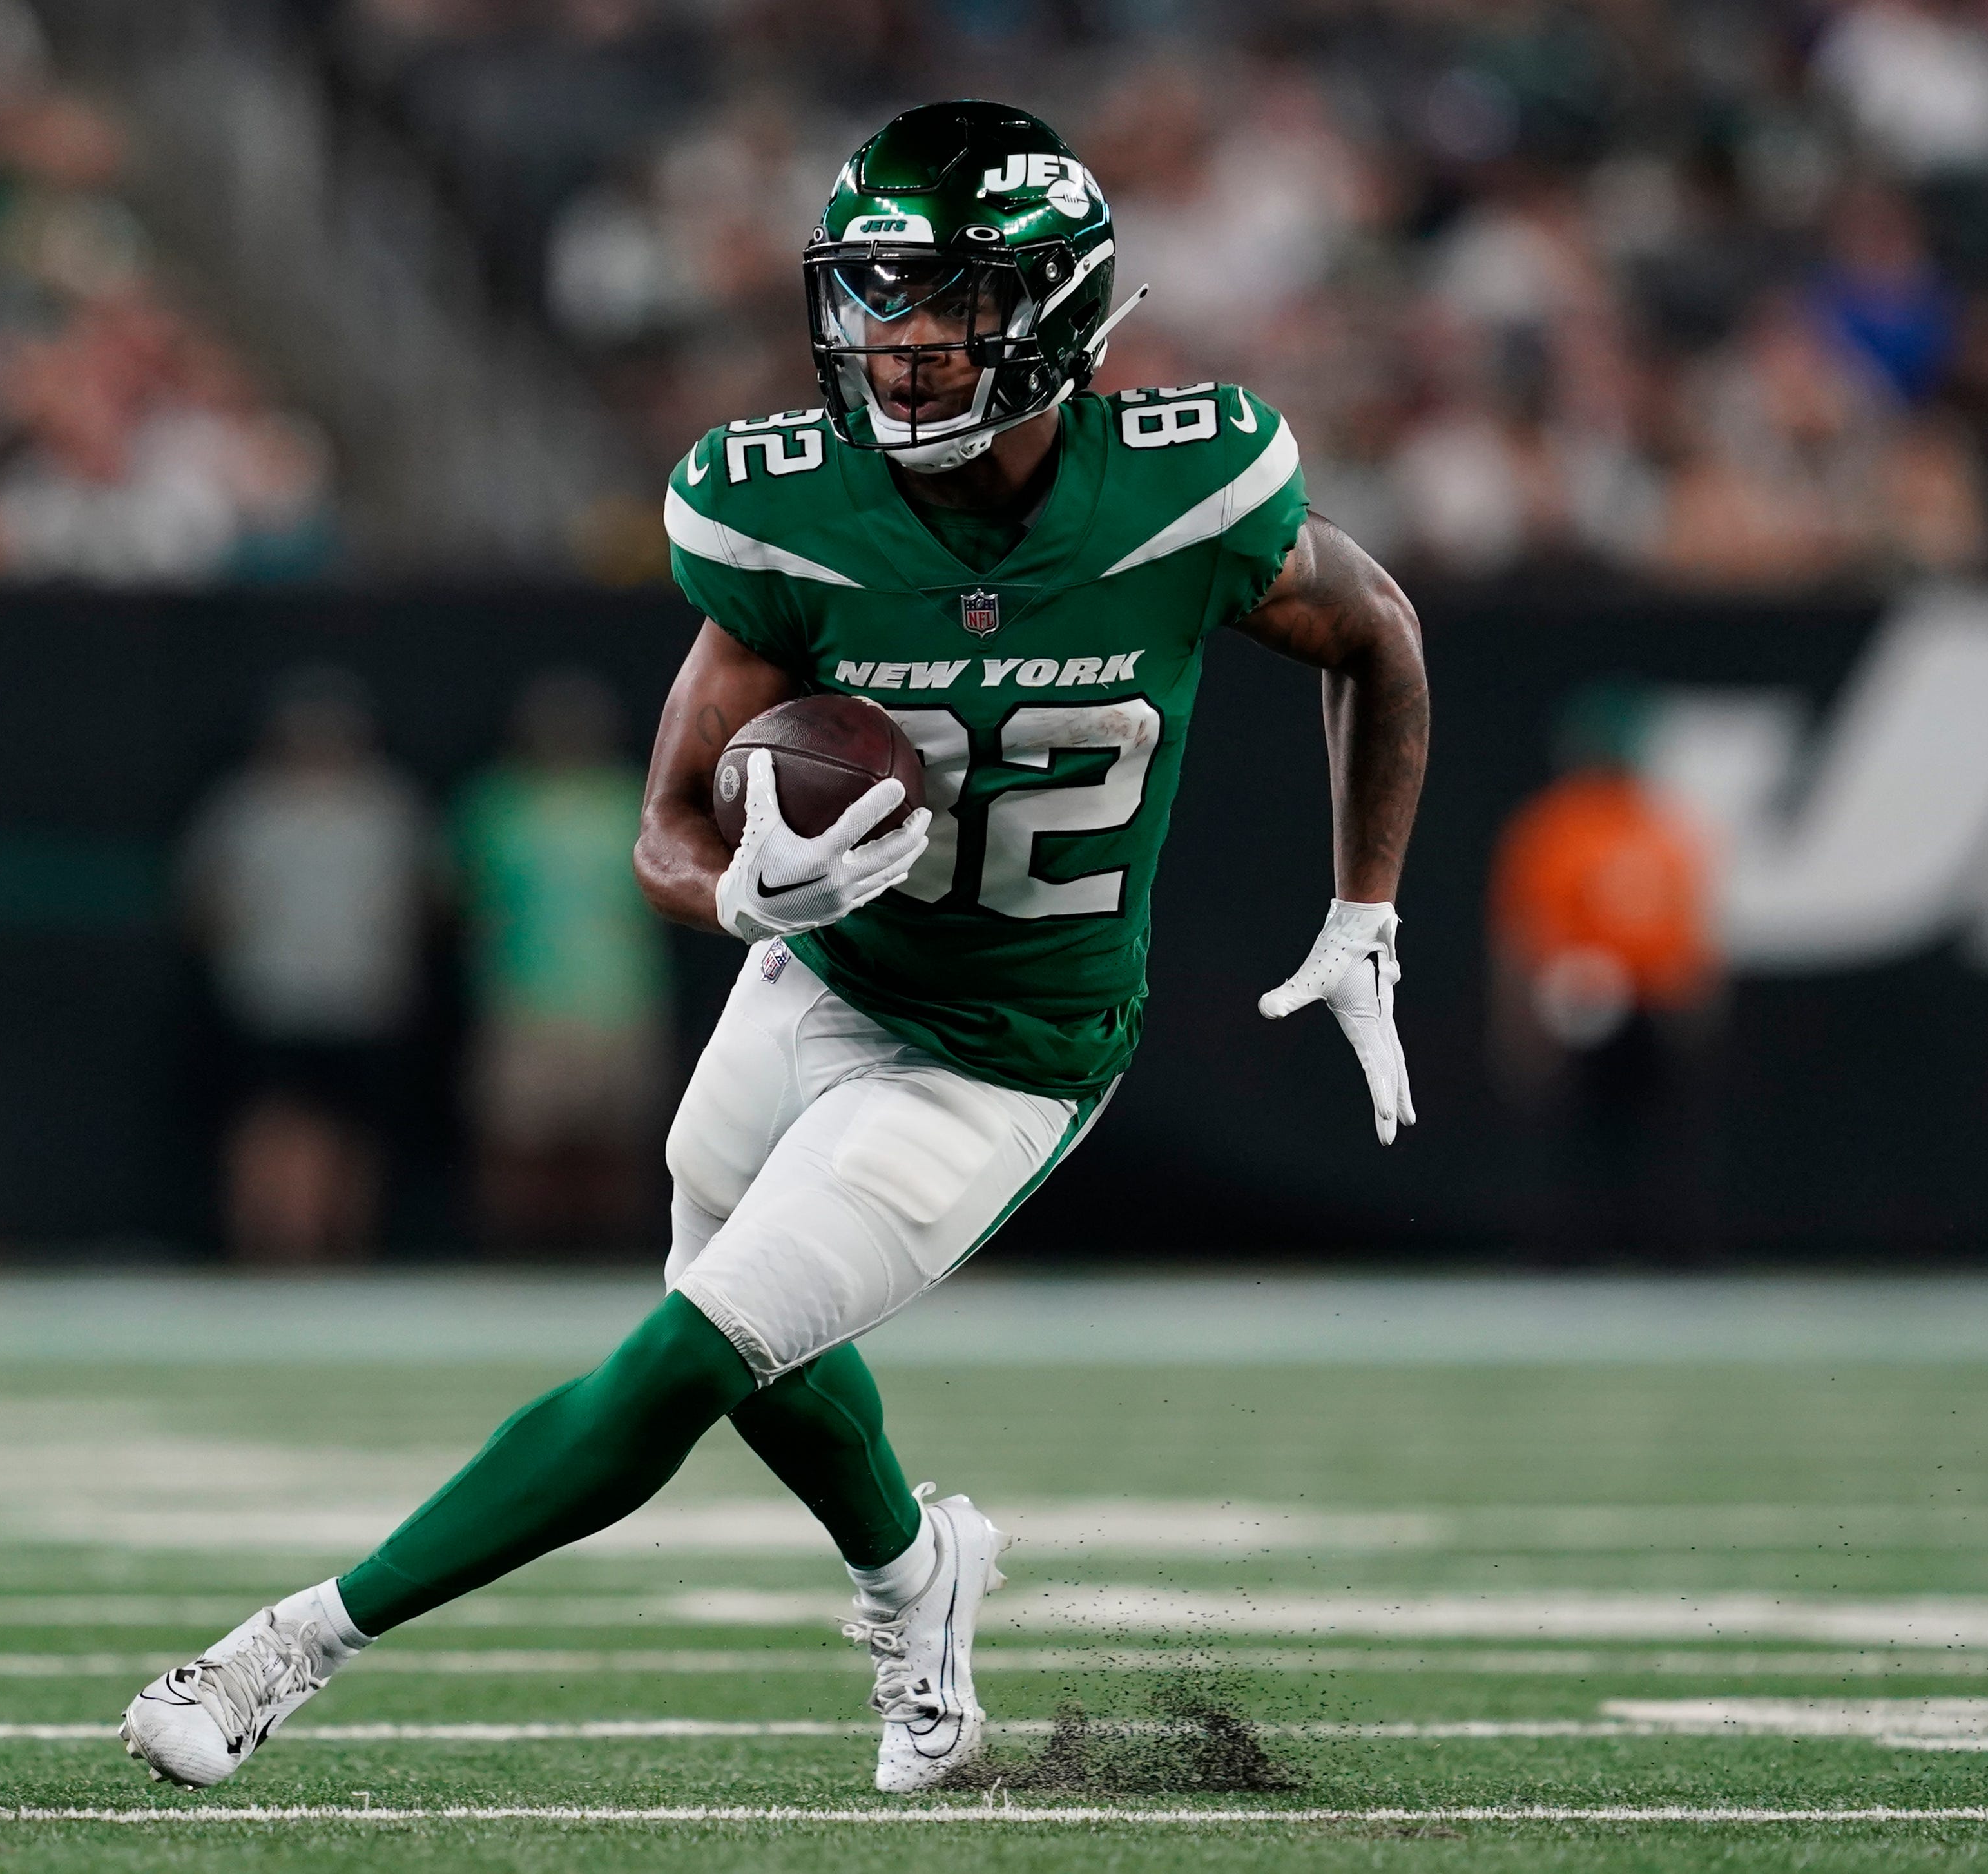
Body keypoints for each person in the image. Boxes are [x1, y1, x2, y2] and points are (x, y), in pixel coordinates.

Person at [122, 101, 1427, 1795]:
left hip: (1002, 1056)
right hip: (814, 984)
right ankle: (917, 1580)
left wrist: (1365, 907)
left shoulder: (1187, 490)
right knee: (746, 1336)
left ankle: (285, 1648)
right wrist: (742, 899)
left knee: (690, 1348)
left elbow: (1377, 633)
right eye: (877, 292)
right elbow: (666, 819)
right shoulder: (785, 508)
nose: (900, 341)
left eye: (948, 297)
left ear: (1057, 307)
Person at [179, 666, 433, 1265]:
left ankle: (338, 1251)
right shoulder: (248, 808)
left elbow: (422, 896)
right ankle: (267, 1249)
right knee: (271, 1125)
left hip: (360, 996)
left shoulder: (386, 806)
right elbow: (206, 900)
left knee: (351, 1130)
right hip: (271, 995)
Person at [1489, 682, 1723, 1257]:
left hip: (1626, 1003)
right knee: (1599, 1138)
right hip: (1600, 1003)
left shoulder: (1569, 826)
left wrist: (1517, 1019)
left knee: (1627, 1139)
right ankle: (1591, 1249)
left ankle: (1620, 1249)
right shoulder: (1642, 826)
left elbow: (1523, 940)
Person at [450, 668, 670, 1249]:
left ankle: (610, 1262)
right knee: (518, 1141)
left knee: (617, 1142)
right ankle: (515, 1261)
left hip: (618, 998)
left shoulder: (635, 799)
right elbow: (466, 900)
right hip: (524, 999)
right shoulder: (497, 803)